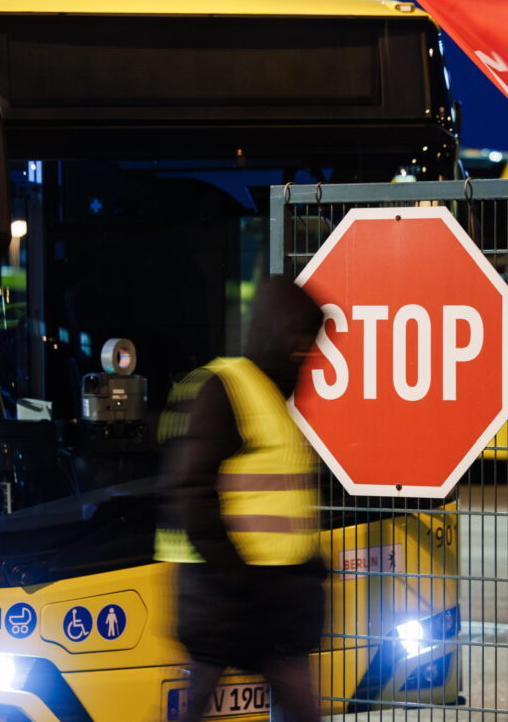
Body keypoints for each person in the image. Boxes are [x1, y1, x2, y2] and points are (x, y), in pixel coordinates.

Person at [156, 277, 327, 722]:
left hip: (265, 599)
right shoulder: (227, 388)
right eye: (298, 335)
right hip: (225, 597)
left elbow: (285, 505)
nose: (306, 349)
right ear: (275, 330)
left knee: (288, 706)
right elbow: (192, 491)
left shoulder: (270, 399)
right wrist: (235, 577)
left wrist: (310, 569)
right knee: (197, 704)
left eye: (311, 339)